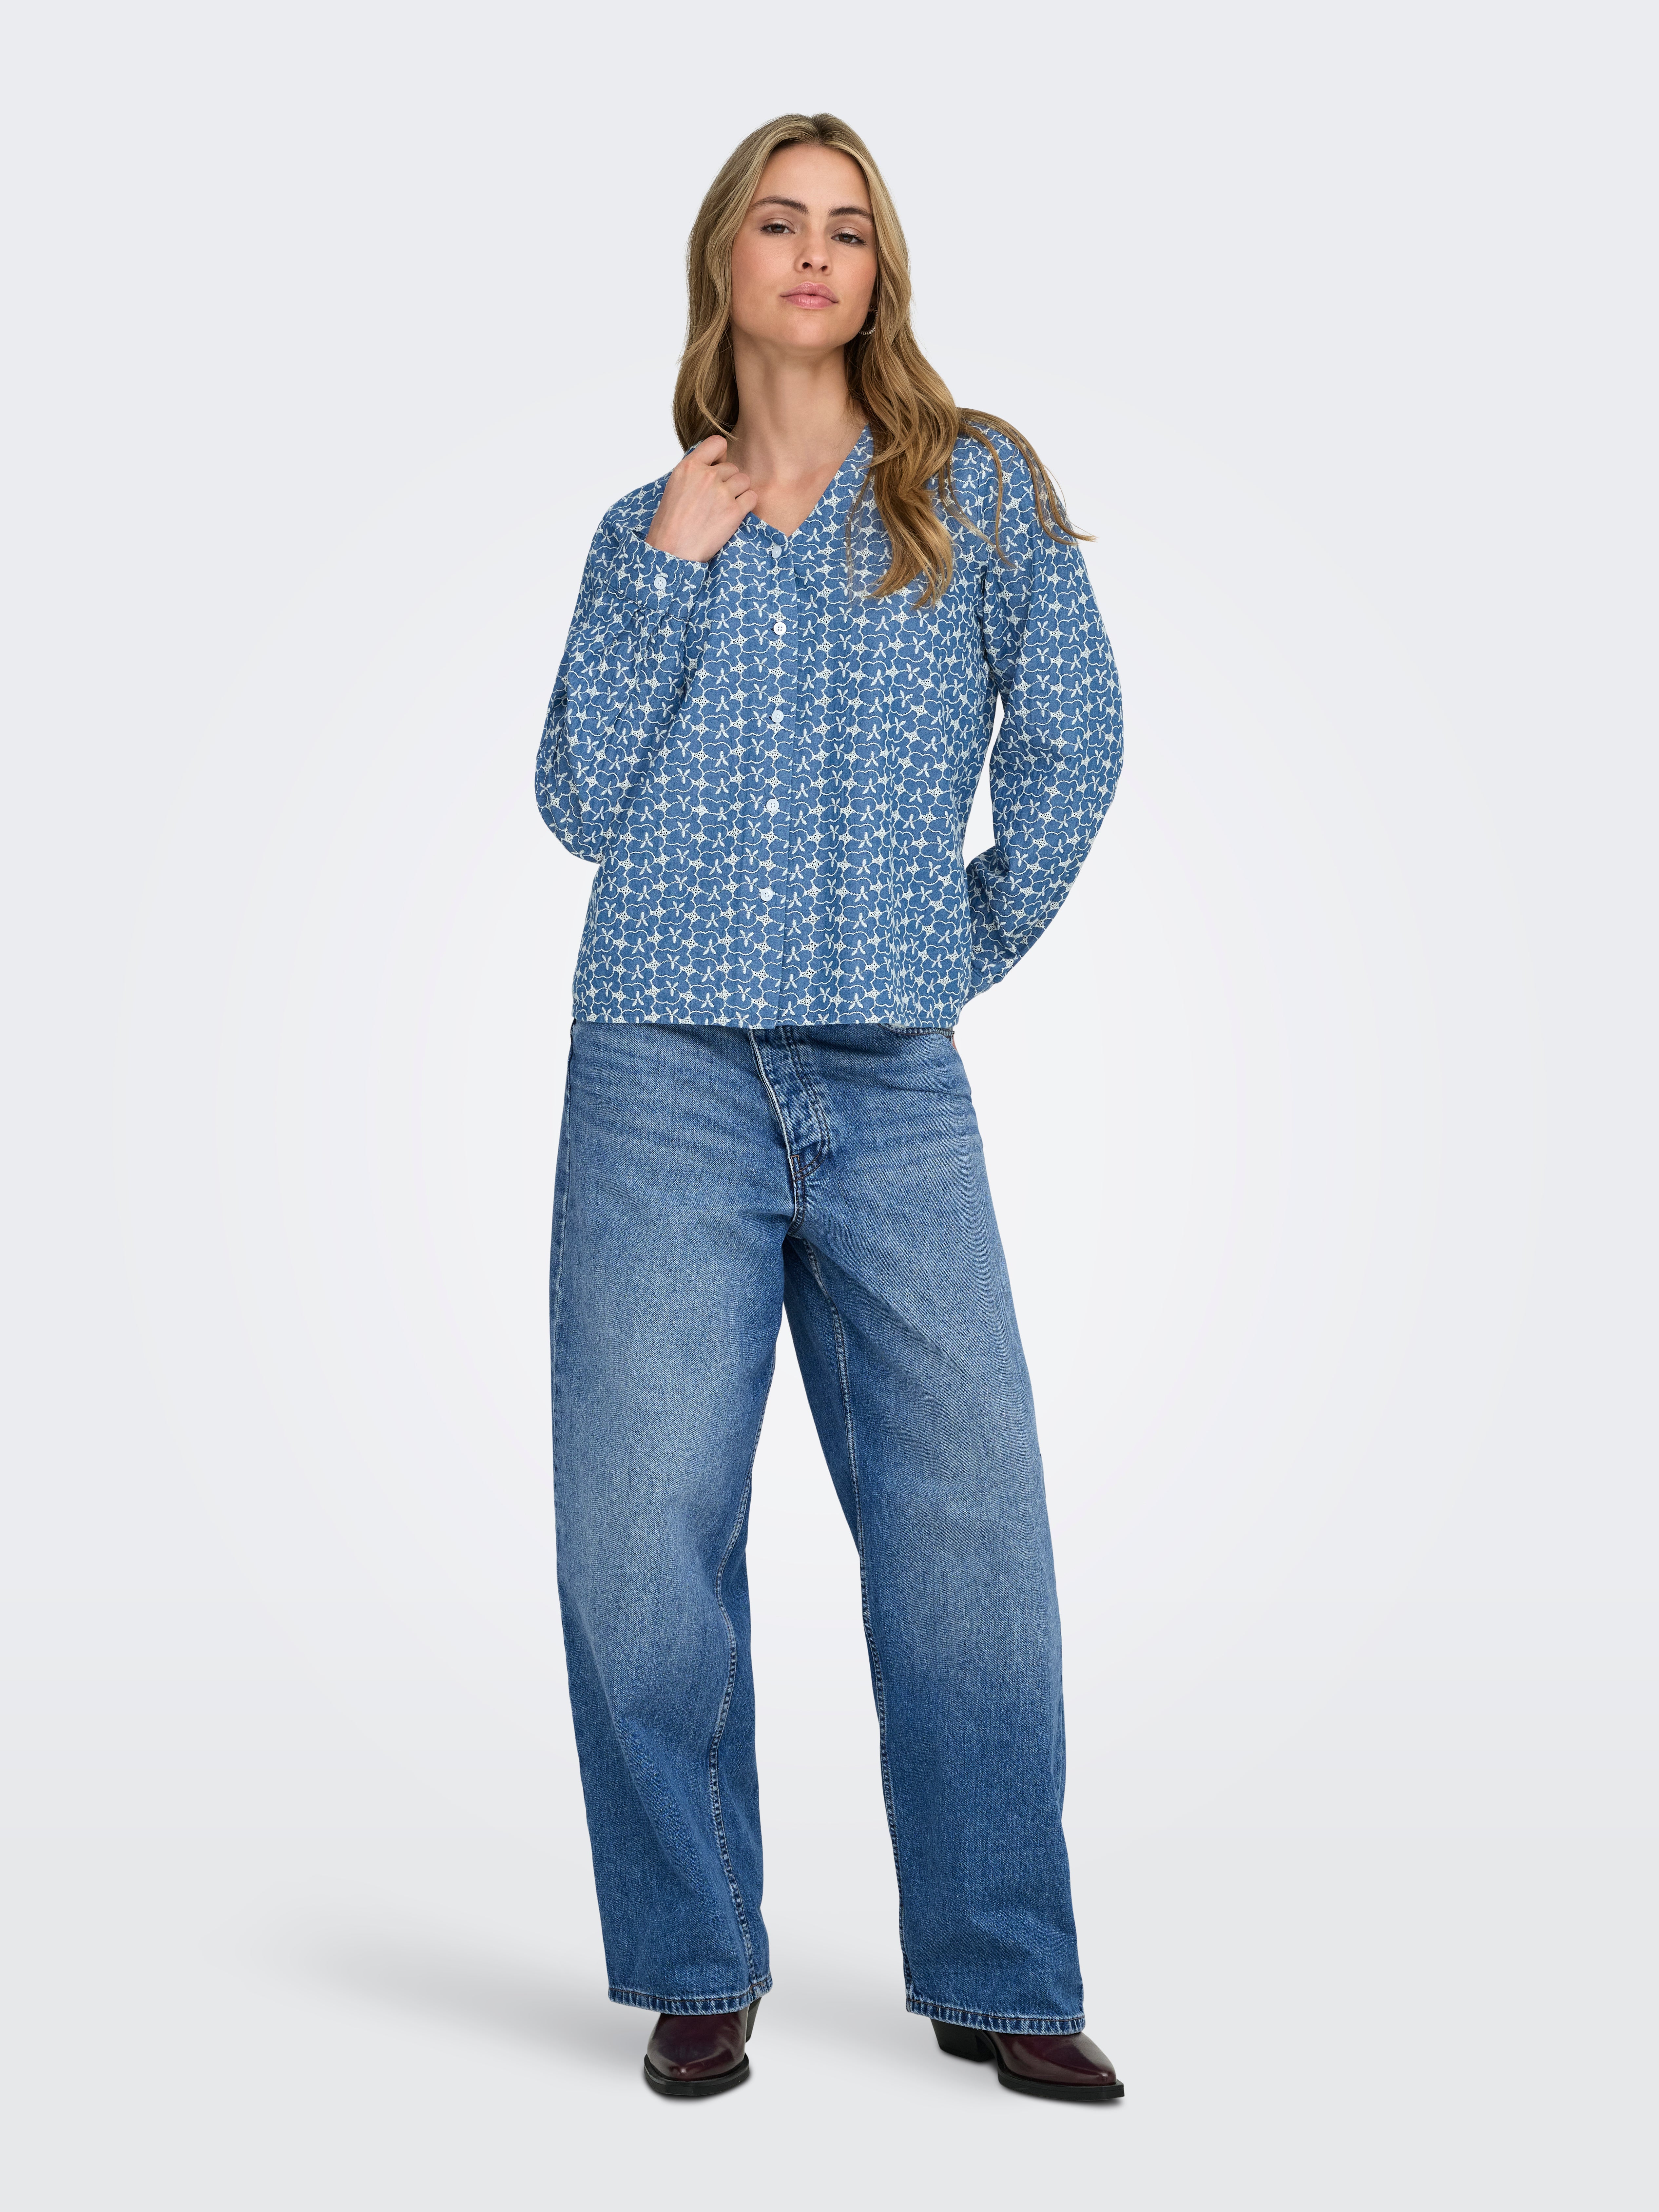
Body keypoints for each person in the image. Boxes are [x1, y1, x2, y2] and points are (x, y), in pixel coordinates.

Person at [535, 112, 1125, 2103]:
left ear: (881, 273)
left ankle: (1000, 1971)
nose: (813, 255)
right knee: (641, 1544)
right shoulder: (648, 524)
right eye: (779, 224)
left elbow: (1076, 735)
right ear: (725, 258)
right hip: (660, 1074)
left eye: (848, 230)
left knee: (971, 1537)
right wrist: (664, 574)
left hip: (891, 1080)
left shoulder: (971, 487)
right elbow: (576, 804)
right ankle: (695, 1959)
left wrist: (959, 940)